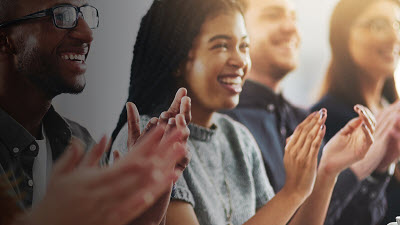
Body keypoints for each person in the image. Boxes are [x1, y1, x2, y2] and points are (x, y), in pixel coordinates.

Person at [111, 0, 375, 224]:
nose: (240, 61)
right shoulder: (145, 139)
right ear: (178, 60)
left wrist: (327, 170)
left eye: (244, 46)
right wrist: (292, 191)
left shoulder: (239, 138)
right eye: (222, 45)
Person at [0, 0, 190, 224]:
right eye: (61, 15)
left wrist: (144, 204)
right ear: (5, 40)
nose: (87, 34)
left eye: (83, 14)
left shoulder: (80, 144)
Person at [223, 0, 396, 224]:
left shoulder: (303, 118)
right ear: (235, 28)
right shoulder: (225, 124)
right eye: (272, 15)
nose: (291, 28)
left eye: (294, 18)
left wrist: (378, 169)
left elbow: (339, 219)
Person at [312, 0, 400, 224]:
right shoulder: (327, 119)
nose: (394, 37)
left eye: (398, 24)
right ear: (344, 35)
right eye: (379, 25)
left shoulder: (391, 112)